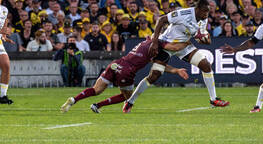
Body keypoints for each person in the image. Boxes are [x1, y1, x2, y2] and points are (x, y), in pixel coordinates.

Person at [123, 0, 230, 113]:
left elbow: (203, 39)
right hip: (167, 44)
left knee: (206, 65)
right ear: (197, 9)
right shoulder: (183, 13)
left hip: (183, 46)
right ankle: (130, 101)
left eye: (208, 12)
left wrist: (205, 40)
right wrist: (155, 42)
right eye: (204, 11)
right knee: (154, 75)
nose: (206, 15)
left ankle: (213, 99)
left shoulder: (203, 19)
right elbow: (161, 19)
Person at [60, 37, 189, 113]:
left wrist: (175, 70)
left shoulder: (146, 42)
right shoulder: (158, 43)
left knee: (96, 89)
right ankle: (97, 105)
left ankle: (74, 99)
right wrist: (189, 41)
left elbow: (156, 63)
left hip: (116, 64)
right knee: (127, 96)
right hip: (127, 71)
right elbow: (175, 48)